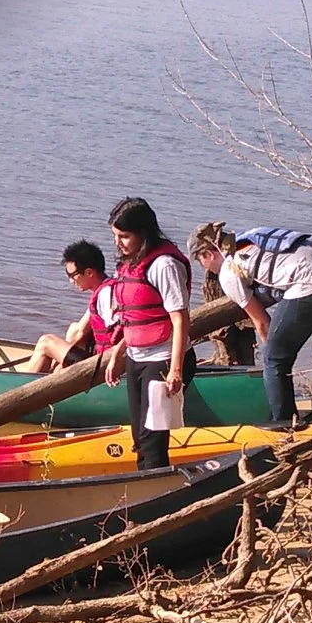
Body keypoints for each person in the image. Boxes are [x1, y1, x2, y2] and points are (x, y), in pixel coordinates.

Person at [189, 221, 312, 427]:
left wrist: (273, 348)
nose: (204, 267)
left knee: (274, 360)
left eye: (200, 261)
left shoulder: (229, 272)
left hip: (309, 282)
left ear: (208, 254)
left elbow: (262, 322)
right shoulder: (251, 237)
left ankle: (285, 425)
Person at [102, 197, 193, 470]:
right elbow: (133, 319)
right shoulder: (130, 264)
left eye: (124, 236)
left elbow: (180, 319)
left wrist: (175, 370)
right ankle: (144, 480)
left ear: (143, 233)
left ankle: (159, 487)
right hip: (136, 357)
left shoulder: (164, 265)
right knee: (139, 438)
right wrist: (117, 355)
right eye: (115, 236)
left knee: (152, 439)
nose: (118, 243)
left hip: (163, 359)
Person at [18, 241, 121, 374]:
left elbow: (78, 334)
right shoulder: (110, 286)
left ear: (89, 272)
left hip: (104, 366)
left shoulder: (104, 295)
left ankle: (27, 385)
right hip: (103, 359)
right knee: (73, 329)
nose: (71, 281)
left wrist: (56, 355)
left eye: (72, 275)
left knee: (46, 342)